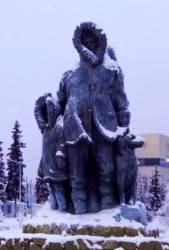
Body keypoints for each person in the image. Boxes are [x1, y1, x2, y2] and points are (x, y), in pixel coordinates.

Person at [57, 22, 130, 214]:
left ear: (99, 43)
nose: (89, 45)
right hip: (75, 129)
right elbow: (60, 103)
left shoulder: (111, 70)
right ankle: (78, 214)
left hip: (104, 127)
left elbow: (121, 100)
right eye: (85, 41)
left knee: (107, 170)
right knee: (76, 176)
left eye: (92, 41)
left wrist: (125, 125)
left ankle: (107, 210)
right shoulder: (70, 75)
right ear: (79, 45)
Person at [34, 93, 68, 211]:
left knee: (58, 187)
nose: (49, 115)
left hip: (56, 165)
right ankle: (54, 207)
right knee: (52, 188)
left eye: (50, 112)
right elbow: (37, 110)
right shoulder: (45, 129)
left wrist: (60, 157)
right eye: (47, 113)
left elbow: (61, 144)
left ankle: (63, 208)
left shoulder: (59, 129)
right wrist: (44, 99)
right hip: (47, 165)